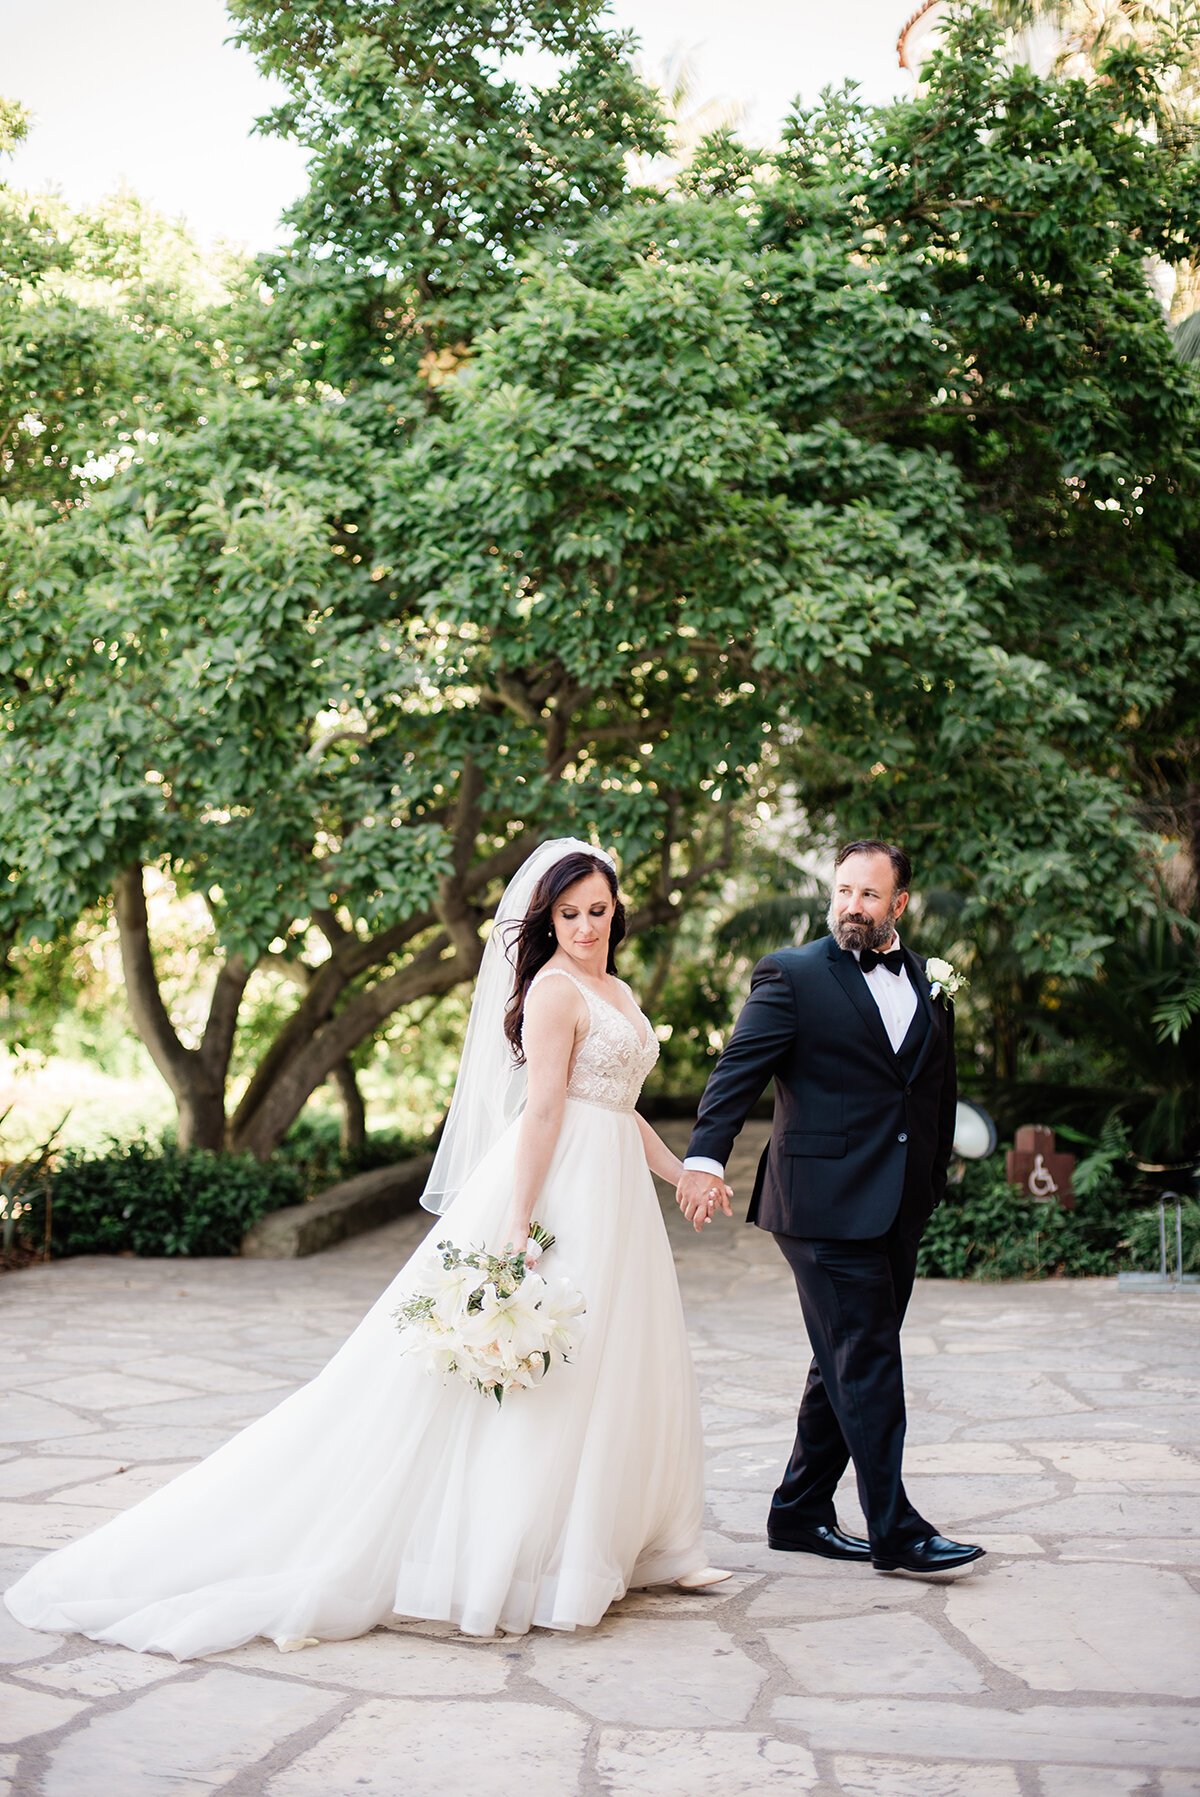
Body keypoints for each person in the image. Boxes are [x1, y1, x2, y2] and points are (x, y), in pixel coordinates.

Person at [6, 839, 728, 1660]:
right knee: (544, 1367)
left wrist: (680, 1173)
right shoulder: (556, 992)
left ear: (616, 909)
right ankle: (519, 1559)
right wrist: (518, 1223)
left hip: (619, 1198)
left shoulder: (616, 988)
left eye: (599, 910)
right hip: (562, 1190)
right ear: (546, 918)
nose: (587, 926)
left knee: (613, 1363)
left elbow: (618, 1104)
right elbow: (545, 1114)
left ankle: (621, 1544)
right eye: (569, 914)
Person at [676, 840, 985, 1575]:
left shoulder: (928, 981)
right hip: (819, 1206)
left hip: (899, 1204)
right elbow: (737, 1070)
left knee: (842, 1357)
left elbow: (934, 1091)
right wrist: (702, 1157)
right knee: (869, 1356)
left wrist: (932, 1179)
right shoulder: (794, 973)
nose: (852, 905)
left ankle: (800, 1510)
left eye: (869, 894)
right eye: (843, 889)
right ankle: (897, 1530)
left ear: (899, 904)